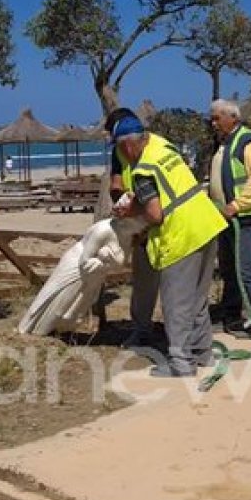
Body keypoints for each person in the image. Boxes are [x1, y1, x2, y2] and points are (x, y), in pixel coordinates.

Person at [112, 114, 227, 377]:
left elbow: (155, 214)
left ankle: (181, 361)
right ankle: (202, 353)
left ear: (127, 146)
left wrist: (131, 212)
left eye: (119, 149)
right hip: (207, 223)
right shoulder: (163, 147)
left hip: (181, 234)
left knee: (177, 301)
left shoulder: (142, 169)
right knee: (198, 298)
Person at [209, 99, 251, 338]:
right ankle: (232, 316)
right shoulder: (224, 143)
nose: (213, 123)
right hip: (225, 217)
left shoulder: (249, 142)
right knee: (229, 269)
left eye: (217, 118)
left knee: (246, 269)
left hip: (245, 216)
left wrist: (236, 205)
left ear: (232, 117)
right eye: (213, 118)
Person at [105, 107, 159, 348]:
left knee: (172, 283)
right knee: (143, 280)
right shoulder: (120, 152)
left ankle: (179, 336)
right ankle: (142, 329)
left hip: (159, 217)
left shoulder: (154, 150)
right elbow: (116, 183)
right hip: (138, 217)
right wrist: (124, 204)